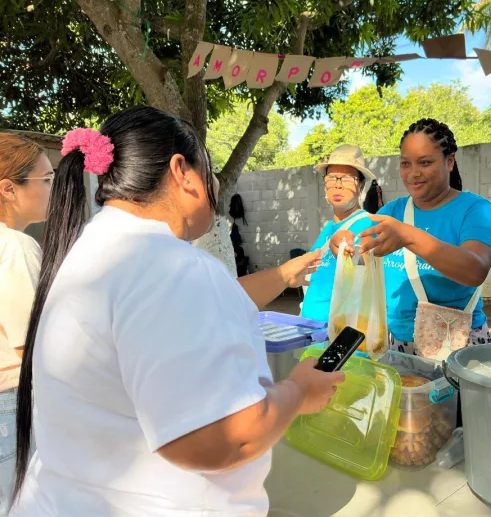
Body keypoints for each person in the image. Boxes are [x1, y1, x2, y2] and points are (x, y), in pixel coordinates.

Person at [10, 107, 344, 516]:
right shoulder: (173, 267)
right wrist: (299, 392)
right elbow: (226, 438)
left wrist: (285, 273)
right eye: (209, 169)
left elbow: (205, 308)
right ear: (182, 172)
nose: (215, 183)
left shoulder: (93, 250)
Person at [331, 119, 491, 355]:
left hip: (457, 345)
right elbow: (363, 258)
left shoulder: (475, 209)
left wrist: (408, 236)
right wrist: (343, 247)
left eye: (425, 162)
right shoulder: (392, 211)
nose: (413, 173)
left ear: (449, 161)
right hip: (396, 343)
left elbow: (475, 270)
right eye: (405, 164)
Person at [0, 133, 53, 516]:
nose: (53, 189)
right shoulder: (15, 248)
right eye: (46, 180)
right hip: (12, 404)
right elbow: (33, 346)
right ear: (9, 189)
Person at [300, 145, 379, 323]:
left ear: (361, 185)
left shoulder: (369, 224)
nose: (337, 184)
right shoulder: (328, 228)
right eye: (331, 178)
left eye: (347, 178)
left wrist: (351, 254)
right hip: (311, 329)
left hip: (341, 332)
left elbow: (365, 269)